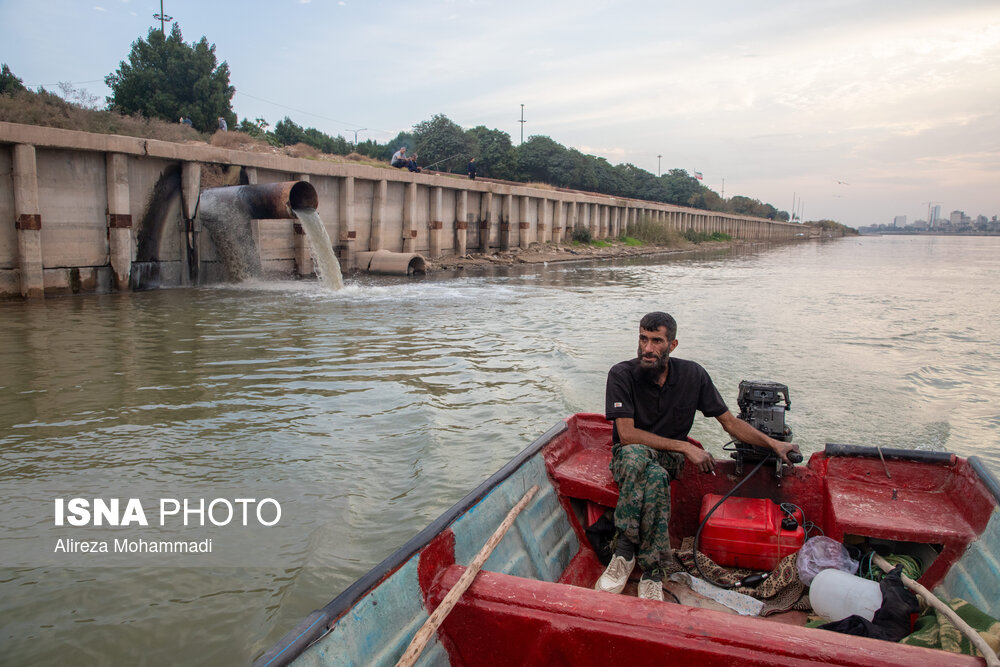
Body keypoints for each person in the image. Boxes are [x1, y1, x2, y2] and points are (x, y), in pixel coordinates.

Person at [596, 311, 799, 601]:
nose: (647, 348)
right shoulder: (621, 374)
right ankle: (646, 565)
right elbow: (626, 435)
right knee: (645, 469)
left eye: (656, 341)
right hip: (629, 455)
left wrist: (773, 445)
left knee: (652, 467)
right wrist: (686, 446)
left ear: (673, 345)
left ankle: (625, 553)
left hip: (667, 458)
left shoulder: (693, 375)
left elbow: (729, 423)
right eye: (643, 339)